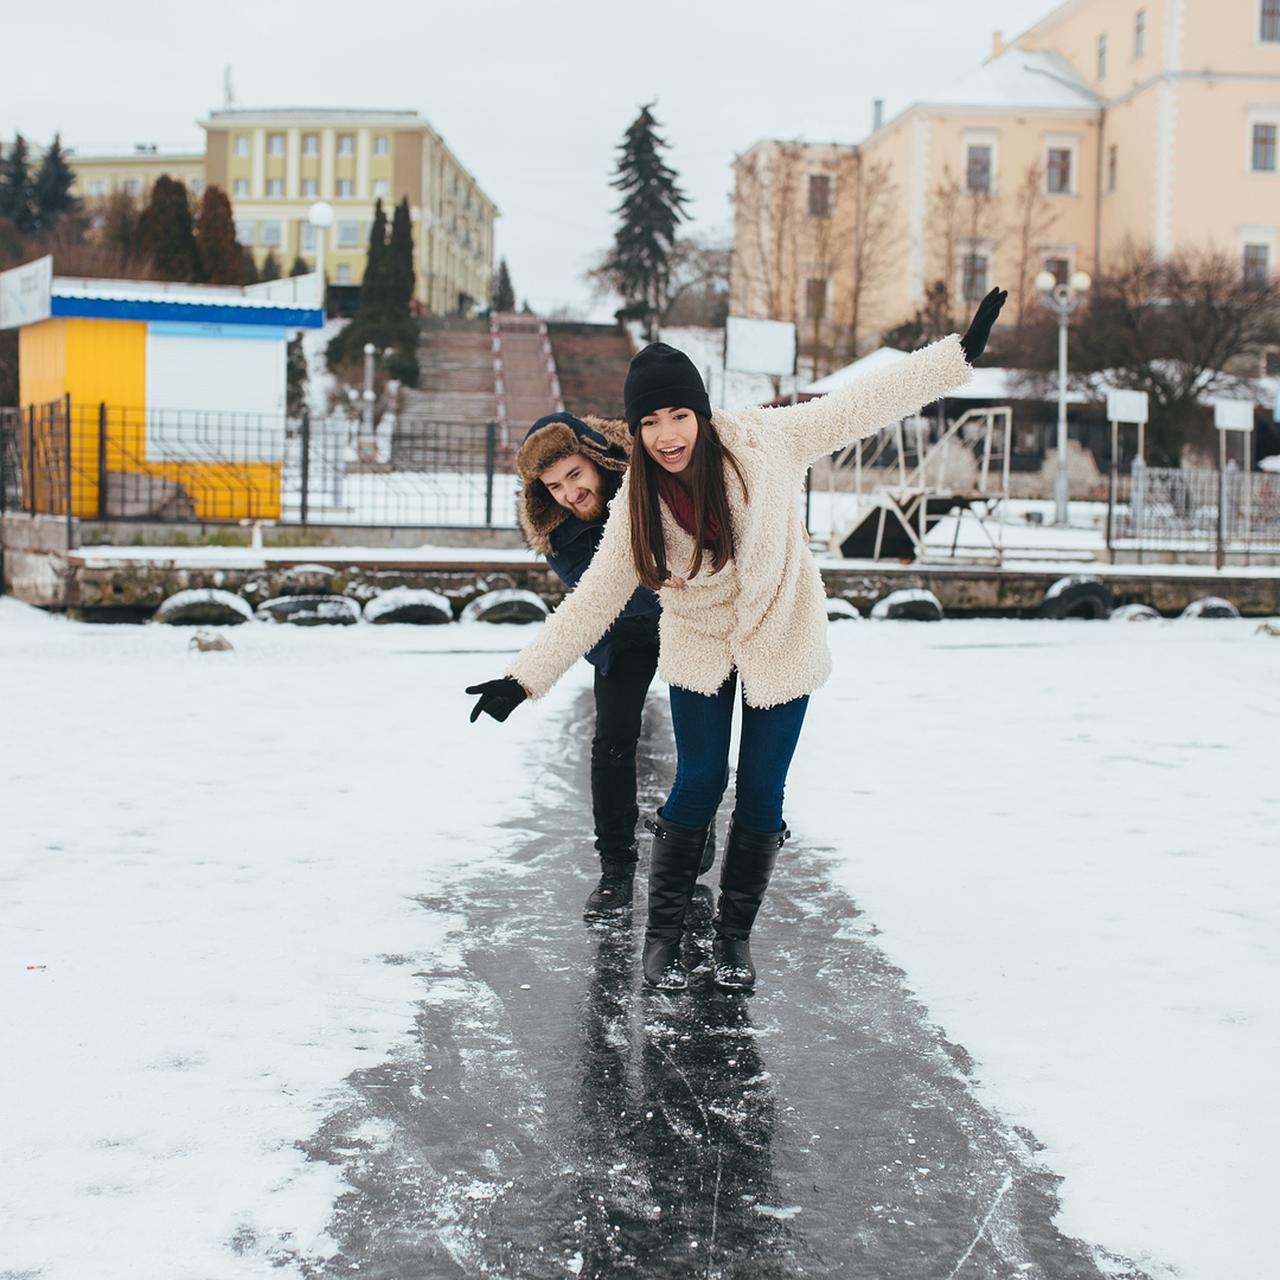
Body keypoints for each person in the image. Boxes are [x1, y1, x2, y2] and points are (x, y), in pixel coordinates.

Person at [467, 288, 1007, 992]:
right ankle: (661, 939)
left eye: (679, 416)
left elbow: (860, 403)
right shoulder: (637, 501)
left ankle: (733, 940)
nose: (666, 435)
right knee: (698, 781)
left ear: (700, 412)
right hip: (698, 643)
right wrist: (523, 677)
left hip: (782, 631)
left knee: (761, 792)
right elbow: (592, 600)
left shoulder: (766, 441)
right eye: (651, 421)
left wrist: (955, 358)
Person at [510, 411, 715, 920]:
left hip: (686, 620)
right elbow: (606, 597)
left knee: (703, 734)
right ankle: (615, 869)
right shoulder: (556, 529)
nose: (569, 494)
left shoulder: (650, 486)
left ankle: (688, 843)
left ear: (598, 461)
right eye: (555, 486)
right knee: (612, 742)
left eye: (575, 476)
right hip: (620, 630)